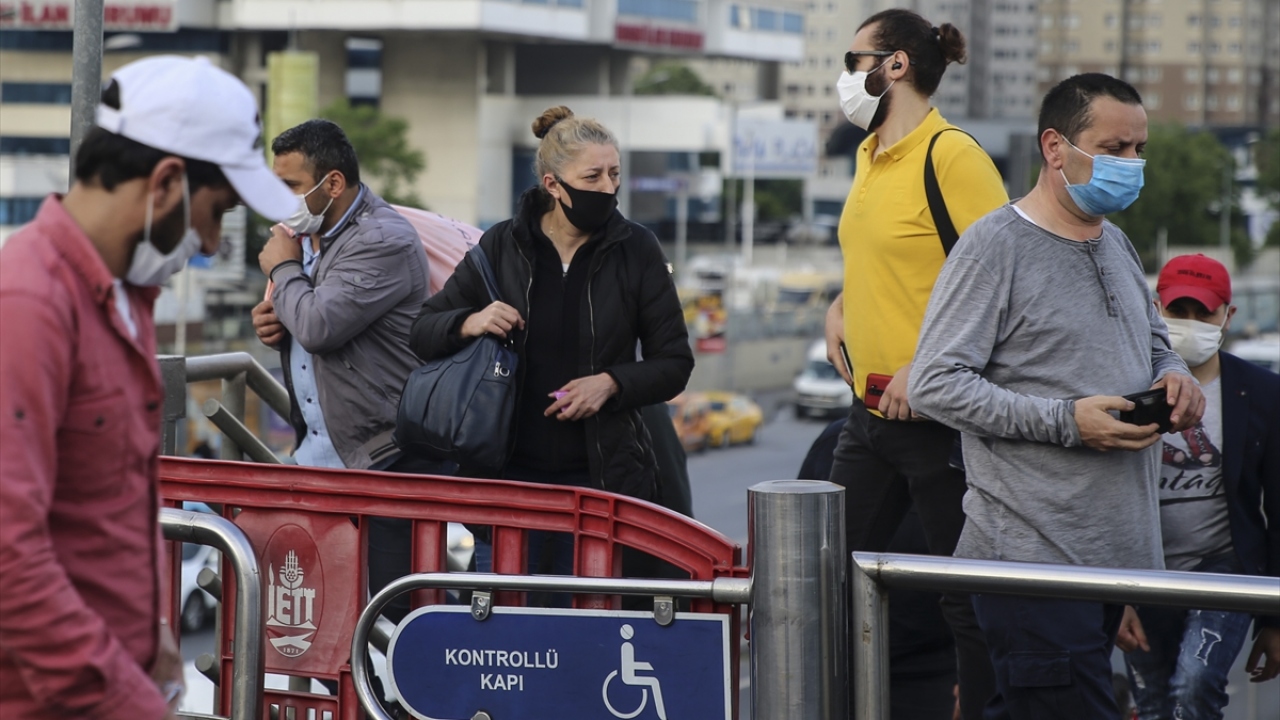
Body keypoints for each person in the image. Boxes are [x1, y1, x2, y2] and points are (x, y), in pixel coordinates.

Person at [0, 55, 294, 718]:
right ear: (166, 182)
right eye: (216, 213)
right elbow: (9, 555)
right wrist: (127, 699)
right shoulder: (30, 304)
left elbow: (108, 504)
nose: (212, 243)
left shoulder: (126, 299)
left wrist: (151, 634)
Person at [908, 73, 1205, 720]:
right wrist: (1068, 421)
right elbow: (934, 384)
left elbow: (1153, 344)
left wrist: (1174, 376)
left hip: (1108, 565)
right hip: (1032, 565)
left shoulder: (1115, 241)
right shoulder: (994, 247)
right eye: (1114, 149)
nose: (1131, 164)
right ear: (1054, 147)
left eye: (1139, 149)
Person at [409, 106, 693, 587]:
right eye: (592, 176)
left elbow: (675, 363)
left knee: (587, 624)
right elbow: (422, 331)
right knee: (506, 624)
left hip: (601, 487)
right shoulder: (502, 245)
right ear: (553, 185)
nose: (608, 188)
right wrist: (471, 321)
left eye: (614, 174)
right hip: (508, 484)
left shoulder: (637, 249)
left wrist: (611, 384)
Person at [823, 9, 1009, 717]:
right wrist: (840, 306)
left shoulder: (952, 155)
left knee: (966, 599)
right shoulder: (869, 153)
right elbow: (892, 260)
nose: (845, 76)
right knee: (819, 576)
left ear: (894, 65)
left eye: (853, 60)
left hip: (938, 422)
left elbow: (1001, 286)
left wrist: (927, 367)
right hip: (867, 416)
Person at [250, 119, 439, 626]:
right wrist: (277, 323)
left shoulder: (381, 238)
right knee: (327, 623)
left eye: (290, 185)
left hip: (383, 460)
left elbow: (319, 326)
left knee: (396, 621)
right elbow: (311, 323)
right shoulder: (315, 238)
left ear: (332, 183)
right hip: (323, 462)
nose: (279, 200)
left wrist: (283, 270)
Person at [1116, 254, 1280, 719]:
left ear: (1228, 315)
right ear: (1156, 309)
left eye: (1203, 313)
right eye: (1178, 310)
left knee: (1195, 685)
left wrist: (1273, 617)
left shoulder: (1262, 393)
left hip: (1222, 568)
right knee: (1152, 704)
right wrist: (1112, 596)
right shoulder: (1125, 384)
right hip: (1143, 569)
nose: (1190, 323)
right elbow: (1096, 493)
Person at [798, 420, 959, 720]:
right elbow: (800, 548)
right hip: (839, 666)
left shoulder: (959, 444)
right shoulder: (839, 441)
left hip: (931, 672)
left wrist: (972, 676)